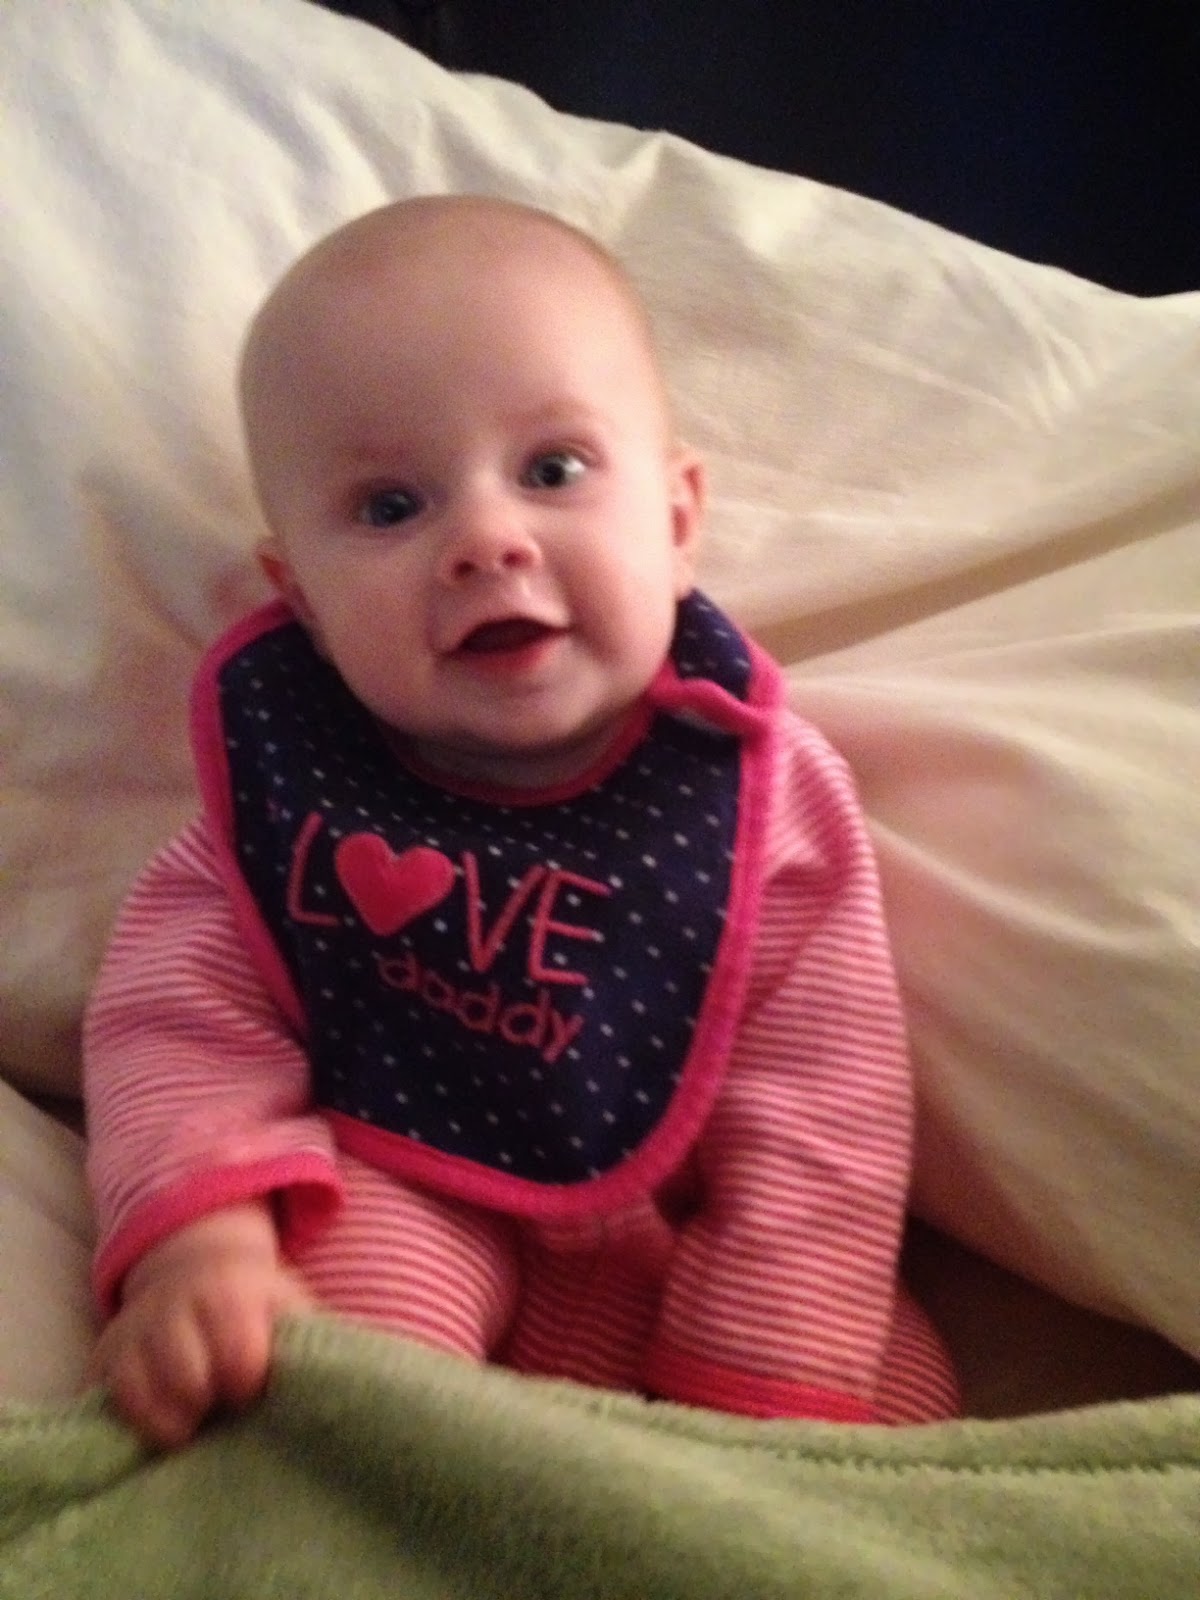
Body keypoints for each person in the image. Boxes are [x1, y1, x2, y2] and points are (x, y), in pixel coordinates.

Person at [84, 195, 958, 1448]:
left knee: (888, 1403)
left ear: (675, 521)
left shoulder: (754, 795)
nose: (486, 540)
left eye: (552, 471)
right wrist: (206, 1239)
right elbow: (179, 1025)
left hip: (685, 1244)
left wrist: (772, 1376)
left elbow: (827, 1103)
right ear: (305, 602)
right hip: (404, 1188)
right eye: (391, 507)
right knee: (322, 1365)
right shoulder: (298, 797)